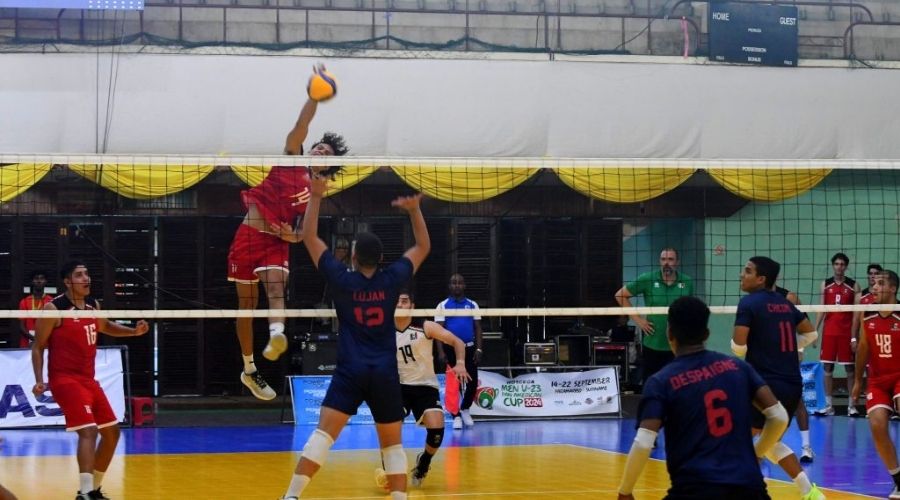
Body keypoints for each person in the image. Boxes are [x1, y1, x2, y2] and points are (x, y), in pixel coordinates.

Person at [278, 176, 430, 500]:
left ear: (354, 257)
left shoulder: (341, 278)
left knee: (322, 436)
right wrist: (415, 210)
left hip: (350, 371)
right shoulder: (392, 279)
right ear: (381, 257)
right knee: (392, 445)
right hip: (384, 374)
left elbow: (308, 236)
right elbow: (423, 248)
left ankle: (291, 496)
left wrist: (316, 196)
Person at [228, 66, 349, 401]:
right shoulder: (292, 160)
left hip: (275, 244)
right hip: (249, 236)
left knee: (276, 288)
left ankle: (277, 333)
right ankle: (249, 369)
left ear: (329, 166)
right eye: (318, 148)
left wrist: (290, 234)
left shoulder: (317, 189)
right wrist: (313, 97)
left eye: (326, 152)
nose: (319, 151)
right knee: (246, 306)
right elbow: (301, 127)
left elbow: (303, 234)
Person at [617, 296, 789, 500]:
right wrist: (756, 454)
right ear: (706, 334)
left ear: (669, 333)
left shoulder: (661, 381)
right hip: (750, 488)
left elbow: (644, 442)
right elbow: (779, 417)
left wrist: (625, 492)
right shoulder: (739, 367)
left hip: (695, 490)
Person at [31, 260, 150, 500]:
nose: (86, 279)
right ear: (67, 281)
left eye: (87, 274)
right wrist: (39, 379)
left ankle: (92, 489)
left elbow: (106, 327)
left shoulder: (93, 305)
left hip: (88, 380)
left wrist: (133, 332)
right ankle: (85, 493)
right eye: (79, 275)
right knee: (89, 431)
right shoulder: (54, 309)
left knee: (112, 433)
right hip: (65, 380)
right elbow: (38, 346)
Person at [732, 256, 824, 500]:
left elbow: (738, 348)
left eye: (748, 271)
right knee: (768, 441)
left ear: (761, 279)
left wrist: (757, 346)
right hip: (792, 385)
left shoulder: (749, 303)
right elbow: (812, 333)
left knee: (741, 438)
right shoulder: (785, 304)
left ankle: (748, 487)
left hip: (764, 386)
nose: (742, 274)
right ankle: (811, 493)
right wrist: (788, 348)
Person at [374, 290, 471, 490]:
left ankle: (424, 462)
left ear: (412, 306)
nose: (400, 305)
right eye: (397, 302)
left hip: (425, 386)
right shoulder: (382, 331)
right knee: (390, 428)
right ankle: (390, 471)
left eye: (404, 301)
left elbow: (457, 342)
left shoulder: (425, 326)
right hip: (397, 388)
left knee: (436, 430)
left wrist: (460, 363)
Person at [851, 270, 900, 500]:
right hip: (878, 379)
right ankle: (899, 482)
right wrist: (858, 380)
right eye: (874, 283)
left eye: (881, 283)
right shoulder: (866, 313)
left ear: (893, 289)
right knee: (877, 426)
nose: (875, 286)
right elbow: (863, 347)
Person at [615, 248, 694, 386]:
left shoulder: (687, 282)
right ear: (659, 262)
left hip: (678, 345)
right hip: (653, 344)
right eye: (663, 259)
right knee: (652, 385)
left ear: (677, 262)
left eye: (670, 259)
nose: (666, 263)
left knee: (678, 386)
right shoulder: (648, 279)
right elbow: (620, 295)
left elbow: (689, 309)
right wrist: (639, 320)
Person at [814, 252, 860, 416]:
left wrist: (855, 336)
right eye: (837, 264)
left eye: (842, 264)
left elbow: (857, 314)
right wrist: (815, 331)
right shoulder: (825, 285)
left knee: (850, 369)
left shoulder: (854, 286)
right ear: (833, 265)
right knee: (827, 367)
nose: (839, 267)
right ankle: (829, 406)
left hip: (846, 333)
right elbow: (821, 309)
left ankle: (851, 406)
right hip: (830, 333)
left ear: (846, 267)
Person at [435, 273, 483, 430]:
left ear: (464, 285)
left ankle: (465, 409)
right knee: (452, 385)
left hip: (469, 348)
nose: (457, 285)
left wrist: (479, 348)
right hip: (450, 349)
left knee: (472, 382)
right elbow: (438, 331)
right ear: (449, 286)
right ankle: (455, 415)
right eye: (453, 283)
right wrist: (441, 352)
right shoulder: (442, 306)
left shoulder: (472, 305)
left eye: (459, 283)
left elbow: (478, 328)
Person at [774, 283, 815, 463]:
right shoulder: (754, 300)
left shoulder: (789, 297)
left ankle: (806, 447)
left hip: (789, 352)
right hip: (767, 355)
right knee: (766, 400)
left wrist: (796, 349)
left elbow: (805, 327)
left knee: (796, 398)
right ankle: (767, 445)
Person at [17, 270, 53, 348]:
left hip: (46, 344)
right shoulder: (24, 302)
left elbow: (53, 325)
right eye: (36, 278)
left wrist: (41, 339)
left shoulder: (51, 301)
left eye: (42, 278)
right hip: (27, 344)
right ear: (32, 282)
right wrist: (34, 339)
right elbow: (21, 326)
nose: (39, 281)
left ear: (45, 281)